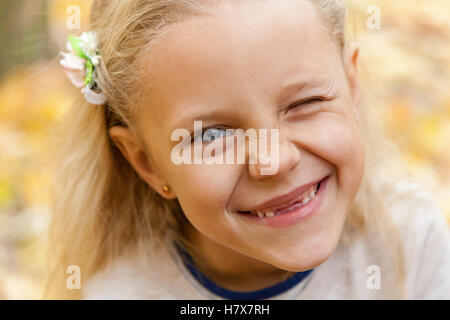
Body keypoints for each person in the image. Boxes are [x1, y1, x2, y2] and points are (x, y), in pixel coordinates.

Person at [45, 0, 450, 299]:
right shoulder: (118, 294)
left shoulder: (409, 241)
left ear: (352, 86)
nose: (273, 161)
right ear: (148, 164)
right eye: (212, 135)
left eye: (304, 103)